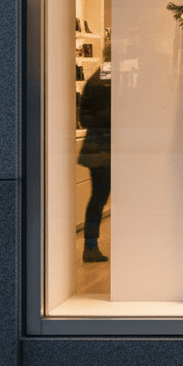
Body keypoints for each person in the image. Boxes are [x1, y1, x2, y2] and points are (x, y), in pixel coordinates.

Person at [77, 52, 111, 263]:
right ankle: (90, 245)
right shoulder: (107, 81)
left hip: (96, 147)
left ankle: (90, 245)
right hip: (104, 148)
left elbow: (85, 118)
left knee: (98, 197)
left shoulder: (96, 80)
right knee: (99, 197)